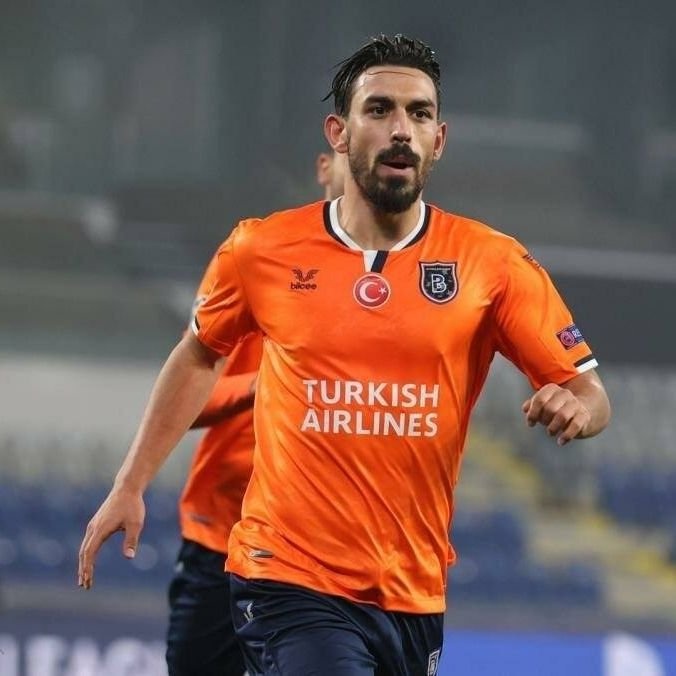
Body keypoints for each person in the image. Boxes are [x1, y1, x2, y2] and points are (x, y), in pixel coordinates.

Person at [79, 34, 611, 675]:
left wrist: (578, 407)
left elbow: (589, 390)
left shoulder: (492, 263)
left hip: (412, 591)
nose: (401, 129)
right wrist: (130, 483)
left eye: (419, 114)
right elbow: (198, 355)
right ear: (339, 132)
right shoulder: (261, 250)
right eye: (379, 109)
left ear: (439, 139)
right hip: (286, 575)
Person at [165, 150, 347, 676]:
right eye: (348, 155)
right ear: (324, 166)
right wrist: (266, 385)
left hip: (321, 556)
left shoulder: (395, 285)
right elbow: (188, 399)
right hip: (222, 532)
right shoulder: (263, 258)